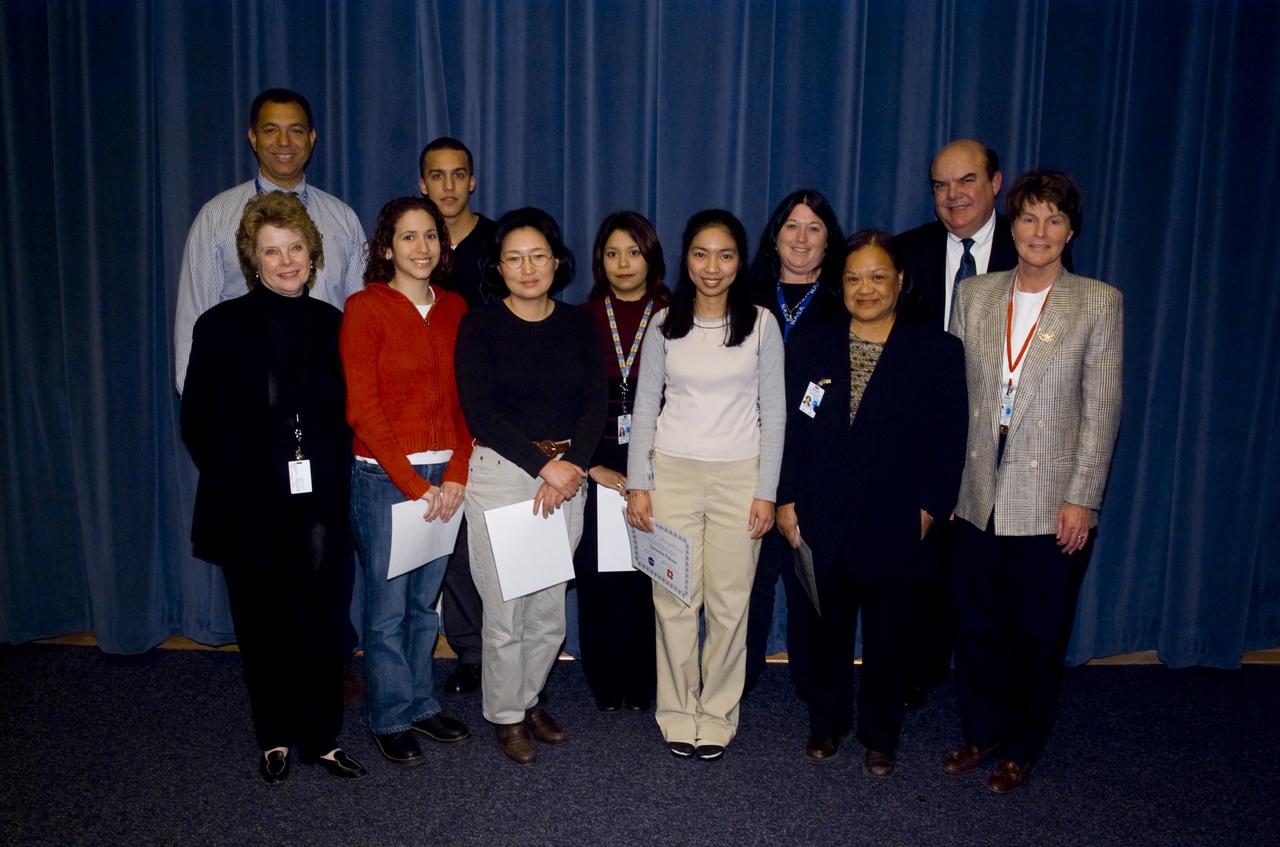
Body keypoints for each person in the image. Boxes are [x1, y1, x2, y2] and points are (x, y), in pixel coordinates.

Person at [944, 171, 1122, 793]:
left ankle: (1022, 745)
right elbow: (953, 397)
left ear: (1070, 230)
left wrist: (1083, 498)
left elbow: (1103, 411)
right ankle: (983, 729)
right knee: (976, 626)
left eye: (1053, 220)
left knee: (1037, 633)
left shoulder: (1097, 301)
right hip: (975, 494)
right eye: (1028, 219)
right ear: (1011, 225)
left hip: (1052, 502)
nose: (1039, 232)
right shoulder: (976, 295)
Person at [181, 192, 365, 783]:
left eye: (295, 248)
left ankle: (323, 736)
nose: (286, 260)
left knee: (323, 616)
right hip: (249, 505)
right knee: (263, 623)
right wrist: (244, 478)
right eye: (271, 251)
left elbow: (351, 415)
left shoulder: (335, 325)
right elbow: (197, 422)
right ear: (252, 260)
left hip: (322, 502)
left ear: (313, 254)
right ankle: (274, 735)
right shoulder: (218, 326)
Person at [775, 230, 967, 775]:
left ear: (900, 281)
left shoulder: (936, 350)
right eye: (854, 277)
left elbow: (951, 438)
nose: (866, 288)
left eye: (878, 276)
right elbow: (790, 429)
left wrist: (931, 506)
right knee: (823, 632)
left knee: (891, 636)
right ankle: (826, 724)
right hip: (820, 515)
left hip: (897, 521)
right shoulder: (811, 344)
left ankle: (881, 735)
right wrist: (787, 500)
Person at [625, 209, 785, 762]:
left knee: (728, 603)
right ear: (685, 258)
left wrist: (766, 490)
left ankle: (716, 714)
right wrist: (638, 484)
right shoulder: (665, 321)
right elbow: (646, 405)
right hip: (671, 475)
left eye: (724, 255)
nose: (712, 267)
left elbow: (775, 412)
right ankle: (676, 711)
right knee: (672, 599)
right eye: (700, 254)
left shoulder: (762, 324)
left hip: (739, 478)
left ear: (740, 261)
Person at [454, 208, 607, 764]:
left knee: (547, 612)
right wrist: (545, 467)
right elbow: (480, 411)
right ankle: (507, 716)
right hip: (503, 477)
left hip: (567, 477)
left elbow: (597, 402)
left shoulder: (578, 324)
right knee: (505, 610)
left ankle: (528, 696)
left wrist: (571, 465)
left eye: (537, 255)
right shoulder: (480, 325)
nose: (527, 267)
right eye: (514, 257)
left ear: (556, 261)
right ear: (499, 266)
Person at [340, 197, 474, 768]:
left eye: (430, 237)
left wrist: (458, 474)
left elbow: (469, 399)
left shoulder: (457, 309)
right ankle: (389, 716)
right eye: (408, 237)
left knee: (427, 604)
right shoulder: (364, 308)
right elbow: (361, 409)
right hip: (383, 477)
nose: (421, 248)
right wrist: (412, 484)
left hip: (447, 476)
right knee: (388, 607)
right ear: (386, 247)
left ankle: (421, 702)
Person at [174, 88, 365, 393]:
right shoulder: (216, 219)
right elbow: (193, 320)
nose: (284, 142)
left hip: (326, 399)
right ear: (253, 138)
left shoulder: (343, 220)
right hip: (245, 400)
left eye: (296, 131)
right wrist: (202, 412)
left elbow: (362, 323)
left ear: (312, 138)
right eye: (271, 130)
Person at [743, 190, 846, 699]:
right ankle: (737, 683)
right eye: (791, 226)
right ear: (774, 234)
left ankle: (817, 692)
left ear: (829, 242)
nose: (801, 238)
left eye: (813, 228)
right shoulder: (744, 295)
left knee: (812, 586)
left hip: (816, 468)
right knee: (747, 586)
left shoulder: (844, 302)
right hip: (745, 464)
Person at [574, 212, 668, 713]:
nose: (623, 263)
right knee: (599, 575)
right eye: (613, 253)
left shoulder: (676, 313)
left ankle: (646, 681)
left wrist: (652, 471)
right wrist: (589, 464)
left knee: (649, 577)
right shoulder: (581, 317)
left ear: (651, 256)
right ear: (599, 260)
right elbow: (566, 403)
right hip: (597, 458)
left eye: (634, 252)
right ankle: (606, 682)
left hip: (658, 459)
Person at [419, 136, 497, 695]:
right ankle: (468, 652)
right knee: (446, 536)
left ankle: (502, 650)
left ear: (473, 181)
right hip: (431, 413)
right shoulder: (413, 244)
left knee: (489, 537)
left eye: (458, 175)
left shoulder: (497, 243)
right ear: (422, 183)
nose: (448, 186)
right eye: (436, 175)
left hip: (491, 410)